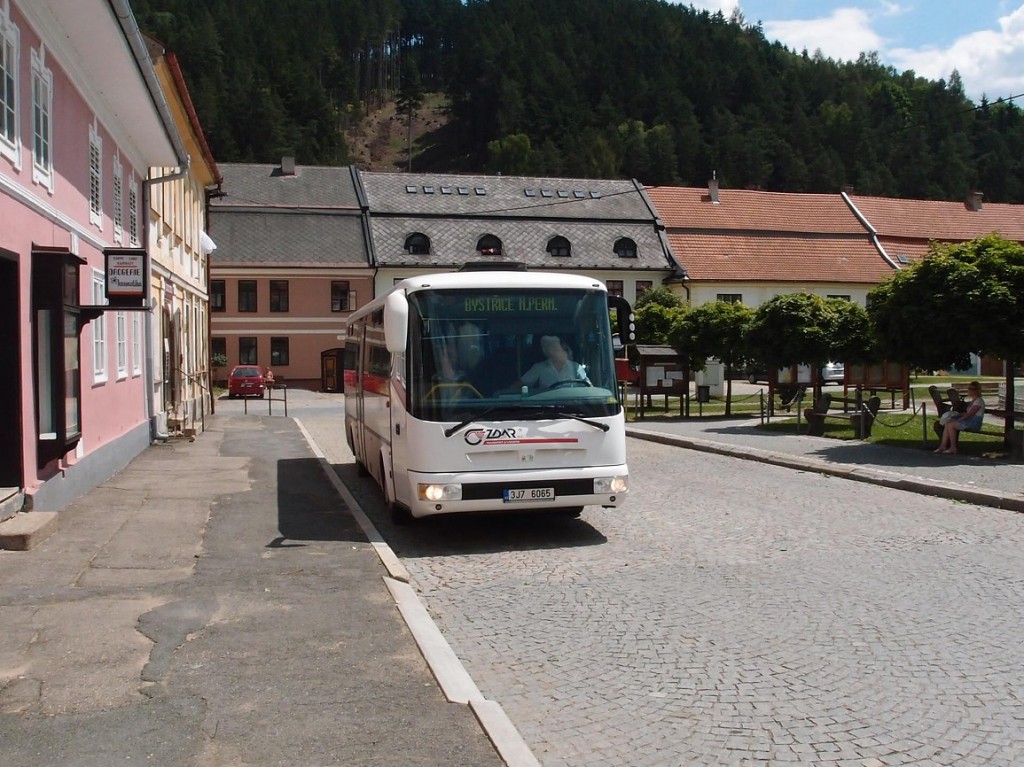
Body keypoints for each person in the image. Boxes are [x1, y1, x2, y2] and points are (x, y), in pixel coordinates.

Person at [515, 335, 590, 392]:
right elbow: (518, 385)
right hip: (547, 409)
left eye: (567, 349)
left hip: (573, 408)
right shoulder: (539, 368)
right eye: (563, 350)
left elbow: (590, 388)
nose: (567, 352)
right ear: (550, 352)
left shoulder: (576, 368)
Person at [934, 380, 985, 455]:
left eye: (973, 389)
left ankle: (953, 447)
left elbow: (970, 414)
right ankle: (943, 446)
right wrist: (958, 415)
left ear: (977, 390)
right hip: (969, 421)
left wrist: (959, 419)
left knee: (951, 425)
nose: (971, 391)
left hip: (973, 423)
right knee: (948, 423)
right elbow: (967, 413)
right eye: (970, 388)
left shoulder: (979, 401)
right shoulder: (973, 401)